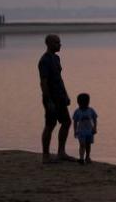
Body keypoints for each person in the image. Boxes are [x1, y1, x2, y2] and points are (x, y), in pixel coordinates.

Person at [39, 34, 73, 163]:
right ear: (49, 44)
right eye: (57, 42)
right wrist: (48, 101)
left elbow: (60, 79)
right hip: (51, 98)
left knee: (66, 122)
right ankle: (46, 156)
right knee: (50, 125)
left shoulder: (56, 58)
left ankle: (61, 152)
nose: (60, 45)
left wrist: (66, 95)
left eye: (59, 42)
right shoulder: (44, 60)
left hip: (60, 96)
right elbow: (43, 82)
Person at [72, 92, 98, 165]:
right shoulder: (77, 111)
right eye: (81, 103)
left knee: (88, 145)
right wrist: (75, 131)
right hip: (81, 131)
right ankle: (81, 158)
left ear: (88, 102)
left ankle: (87, 157)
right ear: (78, 103)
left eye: (85, 103)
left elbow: (95, 118)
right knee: (82, 144)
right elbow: (75, 122)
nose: (83, 105)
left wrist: (95, 128)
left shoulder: (91, 110)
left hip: (89, 131)